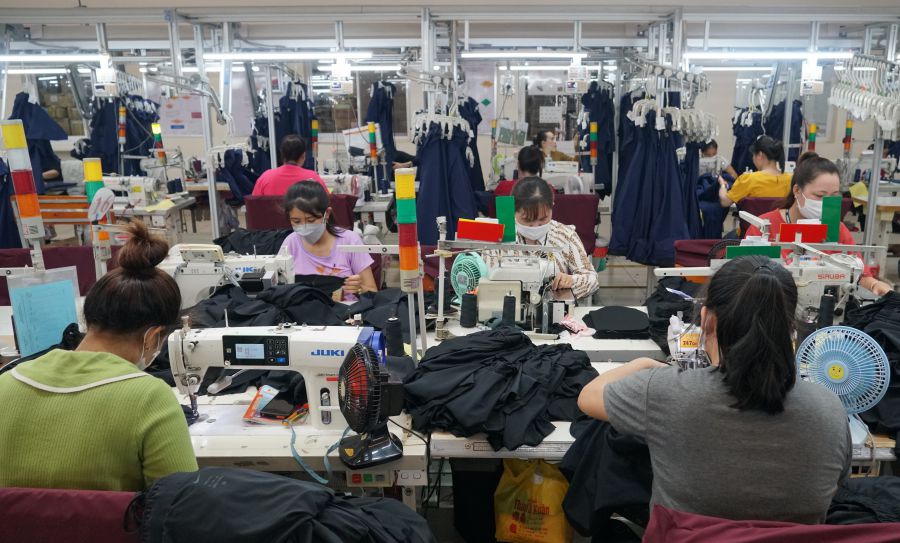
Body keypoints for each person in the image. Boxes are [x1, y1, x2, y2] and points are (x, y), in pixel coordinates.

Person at [577, 255, 850, 524]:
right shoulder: (830, 410)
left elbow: (588, 397)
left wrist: (643, 364)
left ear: (706, 318)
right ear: (790, 325)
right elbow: (835, 487)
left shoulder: (665, 392)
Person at [0, 221, 197, 492]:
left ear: (88, 319)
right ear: (153, 337)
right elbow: (179, 507)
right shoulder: (149, 398)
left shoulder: (6, 384)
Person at [745, 156, 893, 296]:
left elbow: (860, 273)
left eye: (834, 195)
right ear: (797, 191)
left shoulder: (837, 229)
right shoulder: (764, 226)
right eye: (820, 196)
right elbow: (744, 275)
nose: (826, 202)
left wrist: (874, 285)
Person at [484, 176, 598, 301]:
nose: (535, 226)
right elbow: (483, 277)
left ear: (552, 207)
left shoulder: (565, 236)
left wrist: (571, 280)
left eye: (543, 219)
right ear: (514, 210)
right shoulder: (499, 237)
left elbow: (592, 279)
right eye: (527, 221)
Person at [280, 181, 377, 301]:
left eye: (311, 220)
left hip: (345, 314)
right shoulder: (290, 243)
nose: (304, 227)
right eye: (296, 221)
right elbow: (279, 291)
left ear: (327, 214)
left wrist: (359, 288)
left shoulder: (350, 241)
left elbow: (372, 291)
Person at [719, 135, 791, 207]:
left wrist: (723, 185)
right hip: (779, 218)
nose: (753, 159)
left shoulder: (748, 179)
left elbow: (725, 202)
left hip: (755, 218)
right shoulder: (790, 179)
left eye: (753, 155)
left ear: (760, 155)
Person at [251, 135, 326, 196]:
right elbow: (328, 204)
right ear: (303, 155)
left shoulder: (265, 178)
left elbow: (254, 205)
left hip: (271, 215)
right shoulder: (313, 178)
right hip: (302, 215)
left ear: (282, 155)